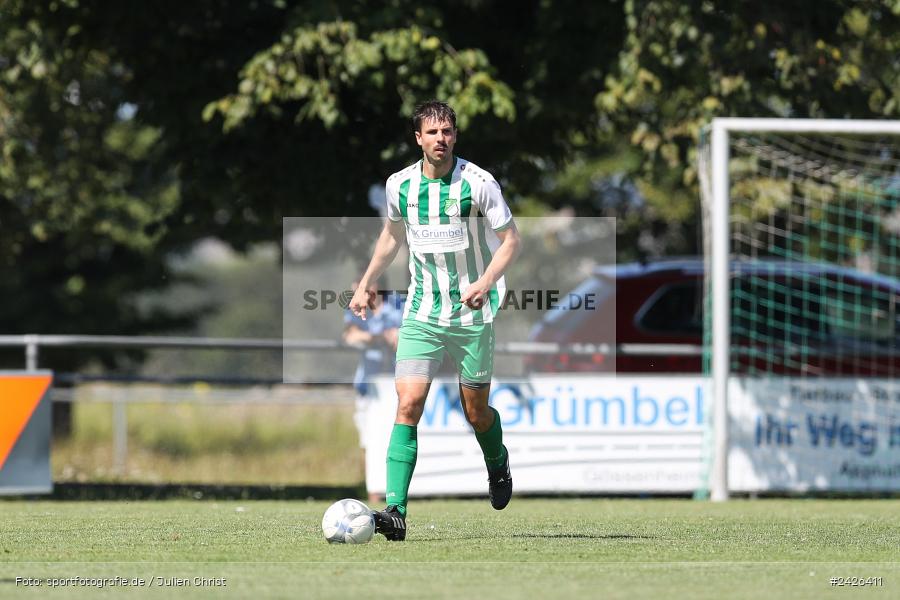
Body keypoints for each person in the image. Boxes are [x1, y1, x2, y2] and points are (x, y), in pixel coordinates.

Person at [348, 100, 521, 541]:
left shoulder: (478, 183)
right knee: (408, 404)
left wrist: (485, 281)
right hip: (422, 312)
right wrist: (367, 281)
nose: (440, 139)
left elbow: (510, 241)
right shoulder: (400, 186)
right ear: (418, 139)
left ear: (454, 136)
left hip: (472, 313)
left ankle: (497, 462)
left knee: (476, 412)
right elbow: (391, 236)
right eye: (432, 132)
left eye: (446, 131)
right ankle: (395, 511)